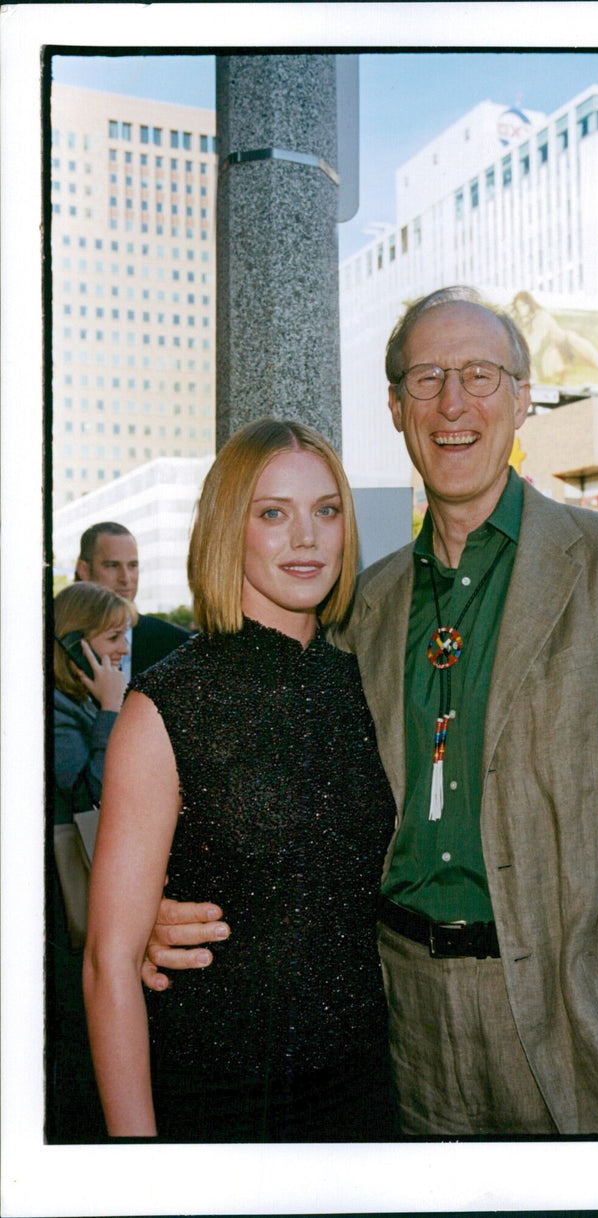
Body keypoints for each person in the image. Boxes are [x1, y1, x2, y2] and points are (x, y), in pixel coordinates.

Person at [142, 287, 598, 1136]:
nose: (454, 403)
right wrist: (156, 903)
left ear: (523, 397)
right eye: (427, 378)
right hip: (398, 1029)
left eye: (481, 376)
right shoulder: (363, 610)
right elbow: (298, 812)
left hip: (572, 1022)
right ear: (397, 408)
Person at [83, 419, 396, 1141]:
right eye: (273, 513)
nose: (306, 537)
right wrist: (140, 1170)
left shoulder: (357, 680)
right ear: (231, 527)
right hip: (217, 1097)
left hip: (362, 1086)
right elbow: (108, 964)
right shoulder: (167, 706)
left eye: (326, 510)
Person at [49, 581, 136, 1142]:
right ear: (75, 644)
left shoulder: (80, 701)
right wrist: (111, 708)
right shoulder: (54, 709)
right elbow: (90, 793)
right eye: (111, 637)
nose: (124, 649)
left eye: (126, 633)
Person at [76, 521, 190, 678]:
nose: (126, 578)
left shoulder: (175, 643)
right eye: (112, 565)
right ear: (84, 570)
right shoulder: (56, 641)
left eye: (132, 565)